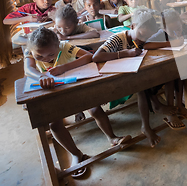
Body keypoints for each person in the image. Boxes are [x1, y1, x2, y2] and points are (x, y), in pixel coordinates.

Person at [25, 27, 130, 178]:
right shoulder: (29, 51)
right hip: (51, 93)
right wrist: (40, 77)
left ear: (58, 45)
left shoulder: (64, 46)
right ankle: (76, 154)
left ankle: (112, 137)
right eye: (39, 56)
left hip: (72, 86)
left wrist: (64, 67)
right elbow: (28, 69)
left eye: (51, 54)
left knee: (95, 109)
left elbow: (88, 57)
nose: (46, 58)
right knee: (54, 125)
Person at [92, 9, 176, 147]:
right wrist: (125, 53)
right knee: (141, 88)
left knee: (150, 81)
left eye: (147, 36)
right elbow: (96, 57)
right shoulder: (118, 39)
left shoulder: (142, 39)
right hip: (113, 80)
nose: (142, 39)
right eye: (142, 33)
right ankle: (147, 124)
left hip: (134, 76)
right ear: (132, 26)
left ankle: (147, 121)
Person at [150, 9, 187, 129]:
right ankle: (170, 110)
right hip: (158, 71)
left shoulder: (178, 30)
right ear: (164, 28)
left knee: (180, 76)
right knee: (171, 77)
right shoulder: (160, 34)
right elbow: (146, 44)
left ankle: (179, 106)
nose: (177, 32)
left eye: (179, 28)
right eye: (173, 30)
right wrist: (169, 44)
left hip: (174, 66)